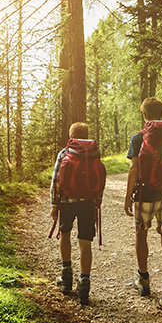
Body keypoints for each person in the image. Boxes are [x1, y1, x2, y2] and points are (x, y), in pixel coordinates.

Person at [123, 97, 162, 317]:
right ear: (161, 112)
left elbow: (134, 169)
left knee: (141, 235)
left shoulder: (138, 138)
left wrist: (128, 196)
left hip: (145, 194)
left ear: (144, 115)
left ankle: (143, 280)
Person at [50, 122, 107, 306]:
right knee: (85, 242)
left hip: (67, 201)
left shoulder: (64, 152)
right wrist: (97, 199)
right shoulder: (94, 153)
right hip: (88, 202)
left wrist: (53, 204)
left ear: (72, 136)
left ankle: (66, 278)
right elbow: (99, 175)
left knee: (64, 235)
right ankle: (84, 285)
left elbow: (56, 179)